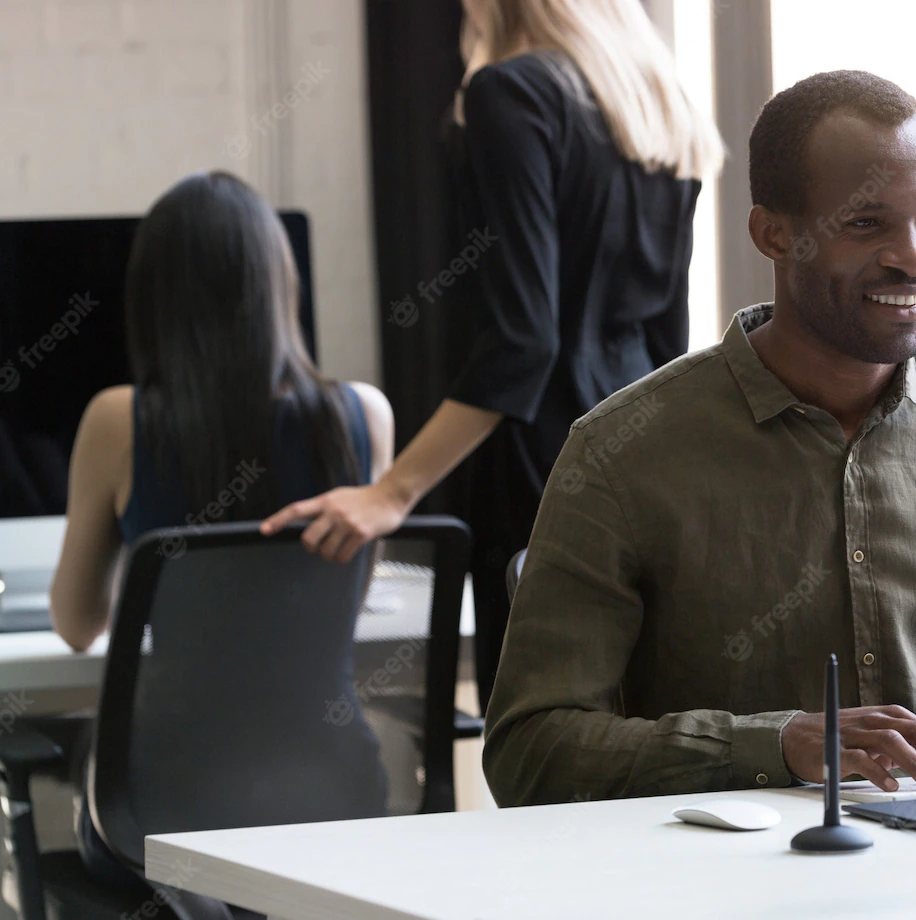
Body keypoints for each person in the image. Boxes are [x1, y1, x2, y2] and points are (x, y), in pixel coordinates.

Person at [481, 71, 916, 806]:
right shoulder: (619, 454)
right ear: (773, 233)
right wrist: (777, 745)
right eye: (865, 223)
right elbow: (527, 752)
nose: (915, 258)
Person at [259, 0, 723, 710]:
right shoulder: (661, 106)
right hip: (646, 463)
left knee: (543, 743)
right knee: (640, 736)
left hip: (541, 469)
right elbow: (669, 337)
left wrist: (391, 493)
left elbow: (524, 341)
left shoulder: (510, 92)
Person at [47, 171, 392, 885]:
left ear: (153, 298)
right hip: (334, 798)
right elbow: (346, 600)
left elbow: (78, 626)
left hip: (162, 814)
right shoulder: (366, 416)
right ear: (279, 285)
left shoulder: (118, 421)